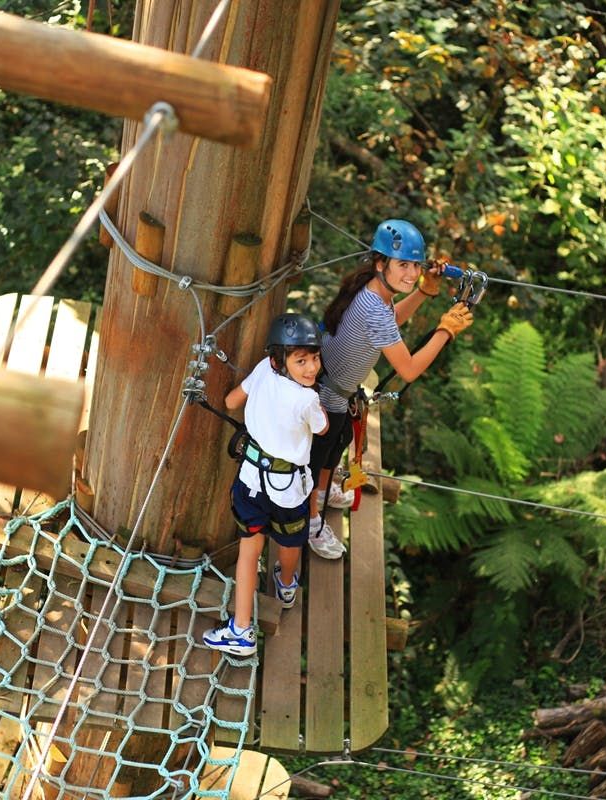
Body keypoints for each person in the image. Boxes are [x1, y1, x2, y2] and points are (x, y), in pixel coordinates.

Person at [306, 218, 474, 559]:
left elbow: (391, 319)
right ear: (381, 263)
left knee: (333, 447)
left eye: (415, 265)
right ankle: (310, 522)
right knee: (315, 460)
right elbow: (408, 369)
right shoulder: (373, 307)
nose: (411, 274)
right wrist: (446, 331)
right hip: (327, 397)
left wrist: (425, 292)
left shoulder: (372, 290)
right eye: (403, 265)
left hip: (335, 390)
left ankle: (323, 492)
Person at [203, 313, 330, 656]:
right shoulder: (308, 399)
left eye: (314, 358)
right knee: (290, 541)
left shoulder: (263, 368)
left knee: (249, 552)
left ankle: (241, 631)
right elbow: (322, 429)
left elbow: (231, 401)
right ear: (280, 360)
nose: (311, 368)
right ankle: (286, 585)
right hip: (288, 487)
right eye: (301, 360)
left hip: (251, 480)